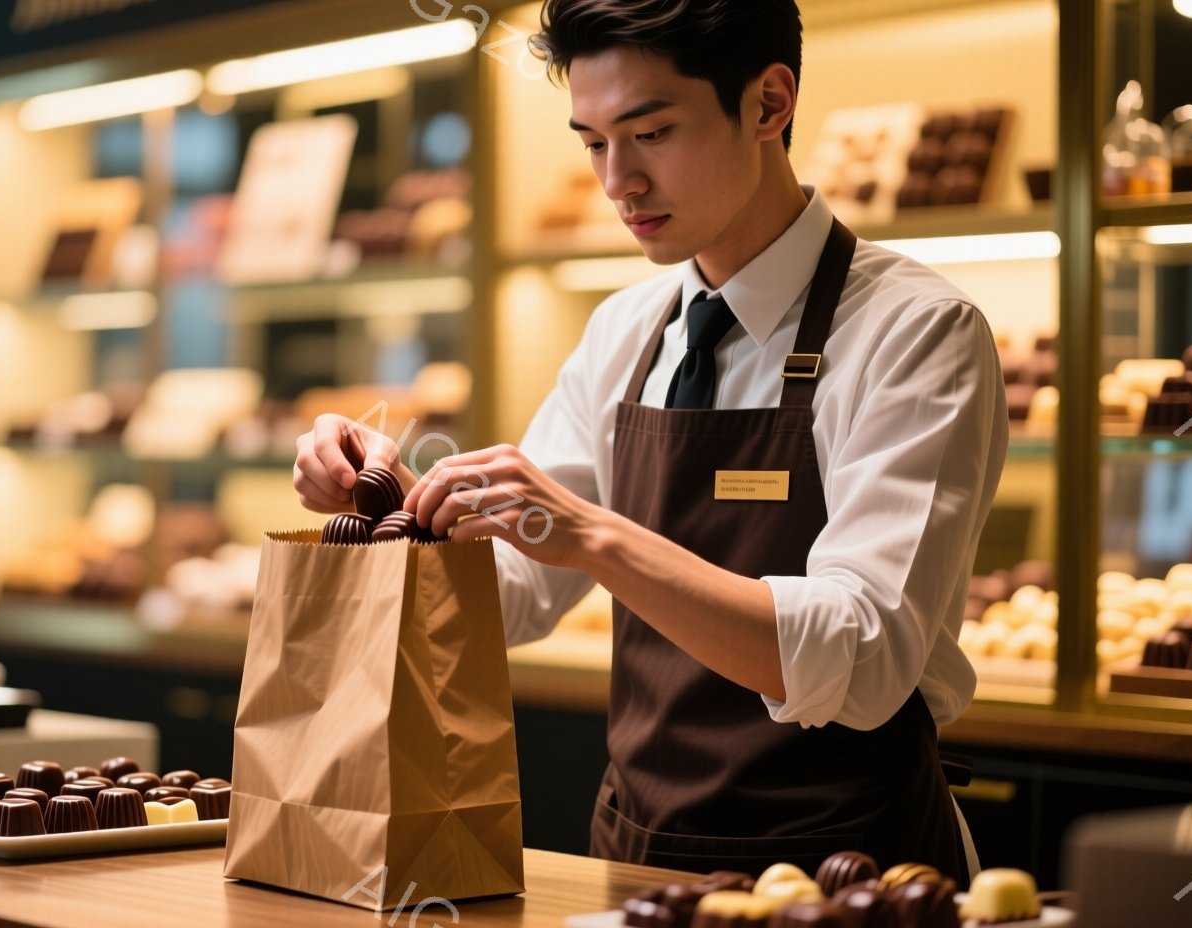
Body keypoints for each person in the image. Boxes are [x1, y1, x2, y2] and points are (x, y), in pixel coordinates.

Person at [293, 0, 1006, 879]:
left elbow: (863, 658)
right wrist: (395, 507)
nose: (617, 181)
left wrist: (596, 537)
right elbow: (514, 590)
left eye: (652, 133)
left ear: (769, 104)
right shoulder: (625, 329)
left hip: (845, 869)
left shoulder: (917, 332)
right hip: (639, 852)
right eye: (593, 143)